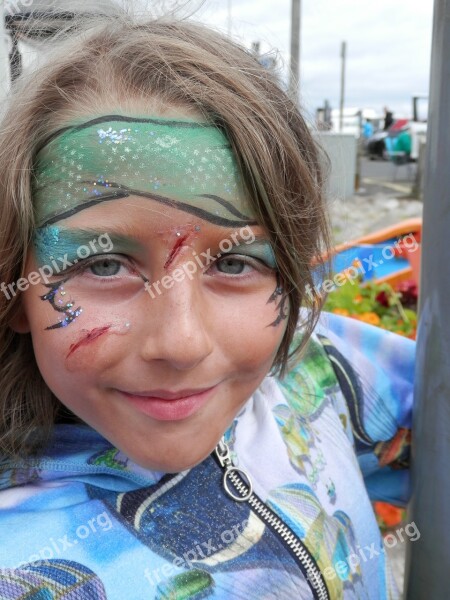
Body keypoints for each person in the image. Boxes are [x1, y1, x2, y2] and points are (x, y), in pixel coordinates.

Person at [0, 8, 414, 600]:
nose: (182, 343)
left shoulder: (319, 367)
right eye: (104, 265)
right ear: (15, 283)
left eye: (234, 263)